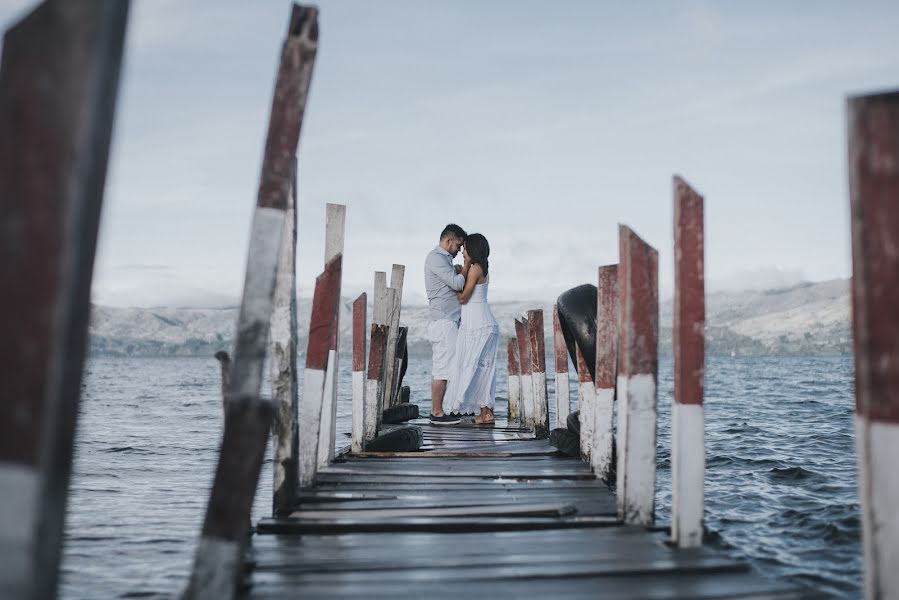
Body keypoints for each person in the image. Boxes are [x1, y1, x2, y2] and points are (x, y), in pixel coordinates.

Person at [445, 233, 499, 425]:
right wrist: (462, 271)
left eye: (465, 248)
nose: (463, 252)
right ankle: (486, 413)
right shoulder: (478, 268)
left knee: (477, 368)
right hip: (480, 325)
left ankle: (486, 413)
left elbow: (462, 298)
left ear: (473, 249)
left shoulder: (476, 269)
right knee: (481, 369)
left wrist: (454, 285)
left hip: (480, 326)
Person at [425, 224, 468, 425]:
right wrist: (465, 268)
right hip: (443, 322)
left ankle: (445, 410)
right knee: (443, 367)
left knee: (449, 366)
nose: (460, 250)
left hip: (448, 321)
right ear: (448, 240)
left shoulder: (444, 260)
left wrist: (457, 270)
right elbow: (458, 284)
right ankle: (437, 413)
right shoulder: (436, 258)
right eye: (458, 245)